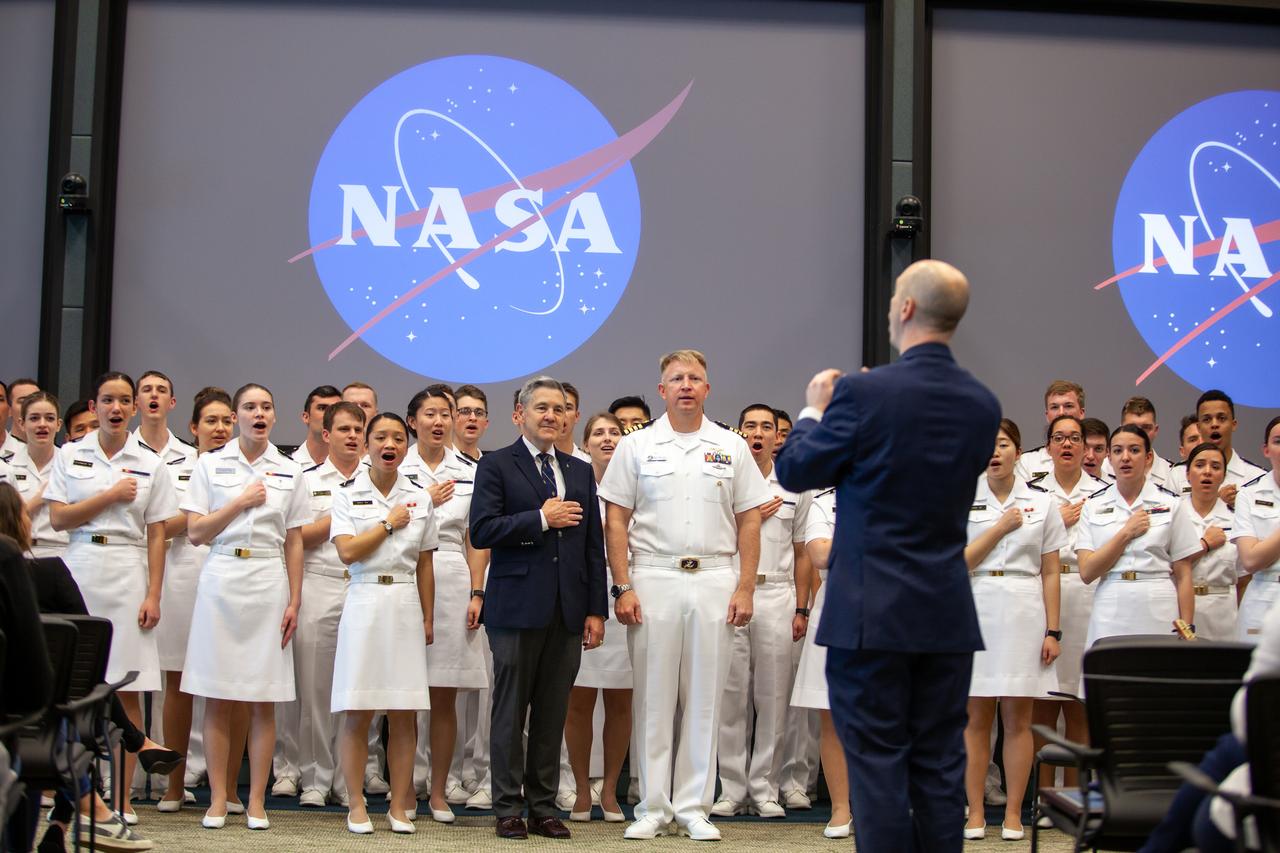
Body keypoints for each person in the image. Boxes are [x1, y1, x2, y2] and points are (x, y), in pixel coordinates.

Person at [775, 259, 1001, 853]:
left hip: (871, 613)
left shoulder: (861, 392)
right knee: (938, 764)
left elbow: (796, 469)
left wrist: (817, 407)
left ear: (904, 310)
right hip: (946, 612)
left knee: (876, 763)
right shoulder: (982, 403)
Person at [600, 350, 769, 842]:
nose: (686, 385)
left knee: (705, 696)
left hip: (716, 575)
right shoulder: (637, 446)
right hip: (653, 577)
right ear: (661, 390)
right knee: (653, 695)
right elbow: (616, 519)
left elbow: (750, 518)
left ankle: (695, 805)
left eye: (695, 378)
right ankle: (652, 806)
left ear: (708, 389)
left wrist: (744, 585)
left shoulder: (731, 446)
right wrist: (624, 585)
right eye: (676, 378)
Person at [0, 484, 179, 852]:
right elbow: (82, 645)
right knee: (78, 696)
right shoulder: (40, 570)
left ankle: (111, 774)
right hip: (30, 726)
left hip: (23, 723)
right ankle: (90, 803)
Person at [469, 376, 607, 840]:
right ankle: (507, 806)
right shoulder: (496, 465)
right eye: (542, 407)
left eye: (561, 408)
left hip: (567, 612)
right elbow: (483, 530)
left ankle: (543, 806)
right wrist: (540, 519)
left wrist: (595, 609)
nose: (552, 415)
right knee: (510, 712)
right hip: (514, 608)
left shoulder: (580, 469)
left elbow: (593, 545)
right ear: (519, 414)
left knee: (552, 712)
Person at [45, 371, 179, 823]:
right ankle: (81, 795)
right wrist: (109, 495)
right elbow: (60, 520)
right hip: (80, 567)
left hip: (128, 569)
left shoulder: (151, 463)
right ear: (94, 405)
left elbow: (158, 533)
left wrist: (154, 593)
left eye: (124, 400)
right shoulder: (71, 455)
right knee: (78, 685)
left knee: (126, 688)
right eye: (108, 400)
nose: (117, 408)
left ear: (135, 407)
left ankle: (122, 801)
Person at [181, 382, 306, 830]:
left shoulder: (290, 471)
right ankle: (218, 797)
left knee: (263, 699)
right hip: (221, 576)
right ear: (236, 416)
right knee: (217, 696)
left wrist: (295, 597)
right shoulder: (211, 464)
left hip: (268, 579)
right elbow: (196, 532)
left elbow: (294, 539)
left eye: (266, 407)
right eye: (250, 407)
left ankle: (256, 800)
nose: (259, 413)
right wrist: (238, 502)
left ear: (275, 417)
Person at [330, 412, 437, 835]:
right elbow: (348, 552)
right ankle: (356, 803)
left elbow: (426, 563)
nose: (388, 444)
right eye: (380, 437)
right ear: (367, 444)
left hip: (405, 600)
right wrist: (388, 523)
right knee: (358, 708)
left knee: (404, 711)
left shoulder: (420, 497)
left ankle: (397, 804)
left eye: (396, 437)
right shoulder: (346, 493)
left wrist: (428, 617)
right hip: (364, 598)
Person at [962, 418, 1064, 841]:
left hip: (1024, 606)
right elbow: (958, 561)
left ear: (1017, 452)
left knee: (1019, 719)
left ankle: (1015, 813)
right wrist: (1000, 527)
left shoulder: (1043, 502)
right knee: (975, 719)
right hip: (976, 602)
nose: (995, 451)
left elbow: (1052, 571)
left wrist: (1053, 631)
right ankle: (974, 812)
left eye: (1003, 444)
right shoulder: (963, 498)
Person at [713, 403, 812, 820]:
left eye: (765, 427)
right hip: (731, 592)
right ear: (740, 432)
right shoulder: (722, 478)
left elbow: (804, 550)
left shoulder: (795, 484)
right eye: (749, 425)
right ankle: (732, 789)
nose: (757, 433)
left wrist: (802, 607)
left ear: (777, 436)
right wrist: (747, 517)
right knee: (730, 696)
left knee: (773, 697)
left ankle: (766, 788)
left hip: (778, 594)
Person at [399, 386, 489, 823]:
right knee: (402, 690)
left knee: (444, 693)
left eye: (445, 414)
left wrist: (477, 591)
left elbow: (477, 538)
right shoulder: (394, 462)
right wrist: (421, 502)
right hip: (401, 572)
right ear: (412, 420)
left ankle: (437, 790)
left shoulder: (471, 470)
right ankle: (404, 789)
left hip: (452, 572)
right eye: (429, 414)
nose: (439, 421)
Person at [155, 388, 237, 813]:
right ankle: (174, 783)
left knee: (233, 684)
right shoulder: (177, 468)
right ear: (193, 428)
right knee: (178, 683)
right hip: (184, 575)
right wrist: (200, 518)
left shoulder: (245, 467)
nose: (220, 428)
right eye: (210, 421)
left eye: (226, 421)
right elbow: (161, 525)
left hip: (234, 578)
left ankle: (231, 790)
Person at [291, 401, 366, 810]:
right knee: (316, 690)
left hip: (363, 587)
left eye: (358, 429)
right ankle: (315, 776)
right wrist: (340, 520)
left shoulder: (379, 480)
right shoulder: (306, 479)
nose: (352, 436)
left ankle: (347, 777)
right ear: (326, 434)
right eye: (344, 429)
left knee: (355, 691)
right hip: (320, 586)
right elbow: (296, 538)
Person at [1030, 414, 1107, 793]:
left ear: (1085, 447)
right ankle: (1043, 797)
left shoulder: (1104, 491)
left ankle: (1074, 793)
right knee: (1043, 702)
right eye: (1059, 437)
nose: (1067, 444)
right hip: (1043, 591)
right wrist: (1054, 521)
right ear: (1048, 447)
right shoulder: (1033, 492)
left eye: (1075, 438)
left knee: (1079, 702)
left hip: (1086, 592)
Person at [564, 413, 631, 823]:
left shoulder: (642, 486)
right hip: (584, 596)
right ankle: (579, 789)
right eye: (599, 433)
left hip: (627, 597)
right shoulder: (574, 484)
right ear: (585, 443)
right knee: (579, 699)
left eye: (614, 433)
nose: (607, 439)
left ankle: (609, 790)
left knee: (621, 699)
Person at [1077, 425, 1199, 647]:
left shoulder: (1171, 504)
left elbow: (1183, 573)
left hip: (1158, 600)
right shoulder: (1093, 505)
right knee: (1109, 674)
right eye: (1117, 451)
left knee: (1156, 675)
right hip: (1111, 601)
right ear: (1109, 458)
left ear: (1148, 457)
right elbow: (1086, 572)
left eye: (1134, 450)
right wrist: (1126, 533)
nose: (1125, 458)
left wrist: (1187, 626)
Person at [788, 487, 853, 839]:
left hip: (890, 603)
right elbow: (820, 555)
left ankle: (877, 803)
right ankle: (841, 807)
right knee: (833, 714)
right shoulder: (823, 501)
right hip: (837, 606)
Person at [1179, 443, 1239, 641]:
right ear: (1187, 474)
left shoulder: (1236, 519)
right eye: (1199, 465)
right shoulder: (1172, 515)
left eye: (1215, 467)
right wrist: (1205, 544)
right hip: (1178, 606)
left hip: (1223, 611)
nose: (1207, 472)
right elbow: (1167, 565)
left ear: (1223, 475)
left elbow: (1245, 578)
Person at [1167, 390, 1265, 506]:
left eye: (1222, 418)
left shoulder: (1257, 478)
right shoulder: (1178, 475)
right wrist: (1217, 501)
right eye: (1207, 419)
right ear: (1199, 427)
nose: (1214, 424)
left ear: (1233, 424)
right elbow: (1169, 521)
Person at [1232, 416, 1280, 642]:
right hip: (1263, 596)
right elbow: (1250, 560)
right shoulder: (1249, 495)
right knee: (1258, 675)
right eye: (1278, 441)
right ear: (1266, 450)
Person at [9, 391, 68, 558]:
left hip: (62, 553)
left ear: (58, 424)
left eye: (49, 418)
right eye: (34, 418)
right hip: (17, 553)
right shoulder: (6, 466)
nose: (42, 424)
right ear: (21, 423)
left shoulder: (71, 465)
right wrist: (40, 498)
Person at [1015, 380, 1086, 482]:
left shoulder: (1102, 462)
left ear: (1081, 412)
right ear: (1047, 415)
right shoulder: (1026, 463)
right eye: (1055, 407)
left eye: (1068, 406)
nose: (1061, 413)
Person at [1103, 397, 1174, 488]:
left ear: (1155, 430)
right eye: (1132, 428)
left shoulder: (1171, 473)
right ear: (1121, 429)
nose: (1139, 434)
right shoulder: (1103, 469)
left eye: (1146, 427)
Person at [293, 385, 343, 469]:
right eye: (322, 408)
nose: (329, 414)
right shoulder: (284, 463)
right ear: (306, 417)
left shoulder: (355, 467)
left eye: (335, 409)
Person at [453, 383, 491, 462]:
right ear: (452, 419)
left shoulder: (495, 465)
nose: (473, 418)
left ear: (486, 423)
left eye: (479, 413)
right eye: (465, 411)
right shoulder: (438, 460)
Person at [556, 382, 590, 461]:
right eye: (557, 408)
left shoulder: (589, 464)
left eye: (568, 408)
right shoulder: (532, 462)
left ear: (576, 416)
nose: (562, 413)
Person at [6, 378, 40, 444]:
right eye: (23, 401)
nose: (31, 406)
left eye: (36, 401)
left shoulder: (60, 453)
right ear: (9, 410)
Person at [1081, 417, 1111, 482]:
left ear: (1107, 451)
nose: (1090, 456)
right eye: (1084, 448)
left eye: (1098, 449)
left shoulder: (1117, 488)